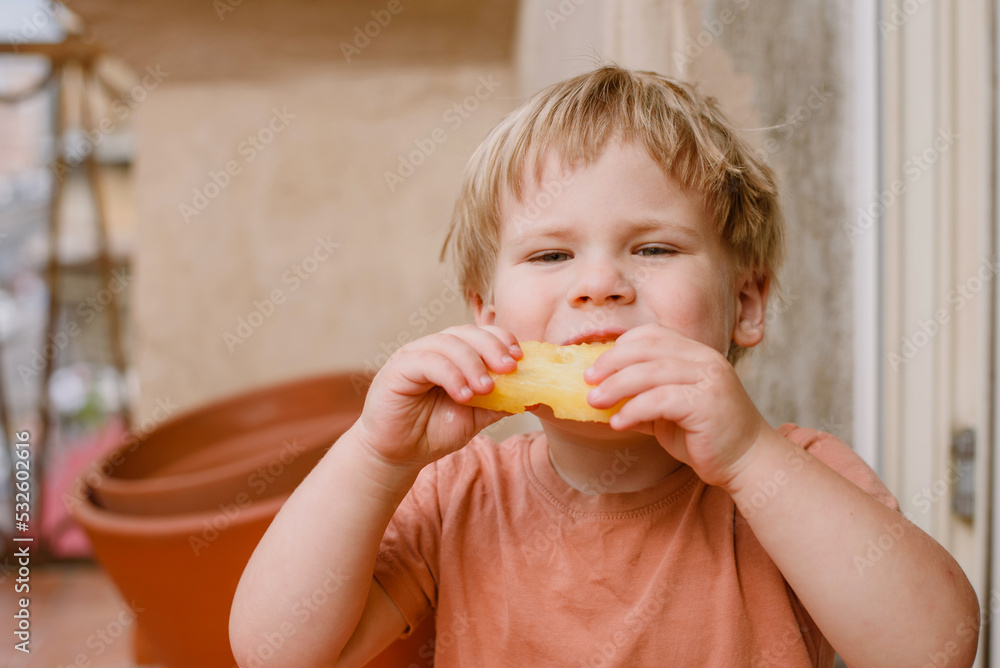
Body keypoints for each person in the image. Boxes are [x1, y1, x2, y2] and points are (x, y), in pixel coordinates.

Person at [230, 65, 980, 667]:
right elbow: (274, 651)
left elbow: (934, 649)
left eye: (653, 248)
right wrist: (375, 456)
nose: (599, 284)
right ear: (487, 316)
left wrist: (752, 457)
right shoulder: (458, 496)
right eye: (550, 255)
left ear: (745, 303)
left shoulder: (793, 476)